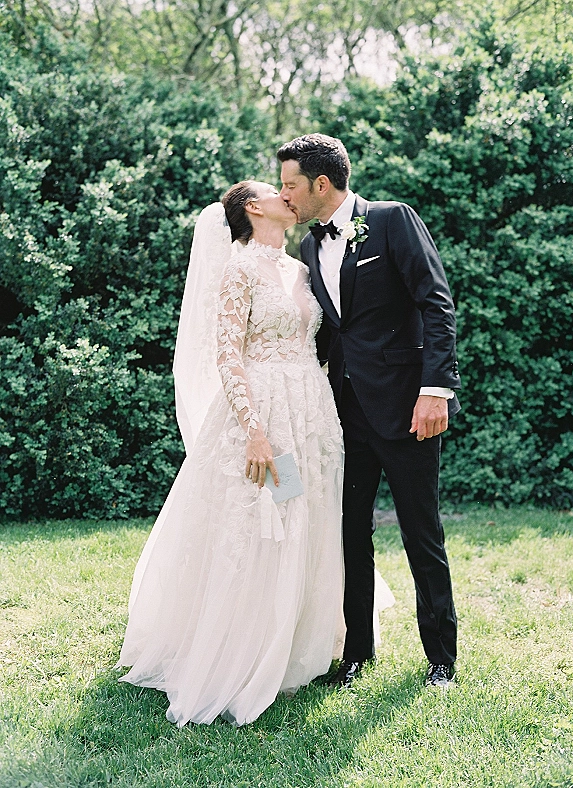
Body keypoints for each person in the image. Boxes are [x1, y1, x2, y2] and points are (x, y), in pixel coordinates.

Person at [116, 181, 346, 726]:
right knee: (270, 517)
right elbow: (228, 355)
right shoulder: (239, 269)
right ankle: (247, 649)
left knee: (308, 516)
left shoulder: (302, 269)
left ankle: (298, 643)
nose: (288, 196)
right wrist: (256, 432)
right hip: (265, 416)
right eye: (276, 191)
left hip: (308, 410)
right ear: (252, 207)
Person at [277, 134, 461, 689]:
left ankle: (441, 660)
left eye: (291, 185)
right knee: (349, 534)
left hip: (408, 410)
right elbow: (330, 333)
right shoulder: (308, 247)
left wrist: (436, 389)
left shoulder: (391, 220)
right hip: (343, 416)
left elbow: (436, 303)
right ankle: (357, 652)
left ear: (321, 183)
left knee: (421, 534)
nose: (285, 195)